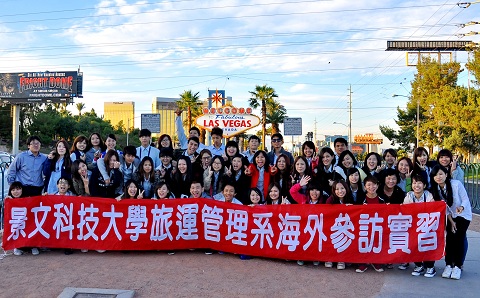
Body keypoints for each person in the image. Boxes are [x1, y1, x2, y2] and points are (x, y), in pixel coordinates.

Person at [430, 165, 472, 280]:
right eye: (435, 175)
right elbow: (445, 208)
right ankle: (448, 265)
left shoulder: (456, 184)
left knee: (459, 237)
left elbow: (465, 199)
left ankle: (457, 266)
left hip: (463, 215)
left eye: (440, 174)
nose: (438, 177)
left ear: (446, 175)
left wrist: (461, 208)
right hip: (451, 216)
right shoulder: (436, 189)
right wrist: (451, 221)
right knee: (449, 239)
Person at [402, 174, 436, 277]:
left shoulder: (428, 195)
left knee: (428, 245)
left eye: (419, 183)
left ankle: (430, 267)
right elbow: (405, 210)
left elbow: (433, 209)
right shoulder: (409, 195)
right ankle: (418, 265)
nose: (417, 185)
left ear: (424, 185)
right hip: (413, 226)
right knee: (414, 244)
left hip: (427, 225)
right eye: (414, 183)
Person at [356, 176, 386, 273]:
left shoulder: (382, 199)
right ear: (364, 187)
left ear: (377, 186)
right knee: (363, 242)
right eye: (368, 185)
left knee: (377, 242)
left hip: (378, 226)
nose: (371, 187)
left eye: (374, 184)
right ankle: (363, 262)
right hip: (364, 226)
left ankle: (376, 261)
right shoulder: (361, 199)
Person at [7, 182, 40, 256]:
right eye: (13, 190)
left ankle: (33, 246)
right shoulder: (8, 201)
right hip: (17, 226)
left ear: (22, 190)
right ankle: (17, 246)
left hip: (28, 223)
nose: (15, 192)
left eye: (18, 189)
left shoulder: (28, 199)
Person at [325, 180, 353, 269]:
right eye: (337, 189)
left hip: (346, 227)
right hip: (333, 227)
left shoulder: (350, 198)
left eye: (342, 188)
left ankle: (341, 259)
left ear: (346, 188)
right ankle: (330, 258)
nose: (340, 191)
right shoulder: (330, 200)